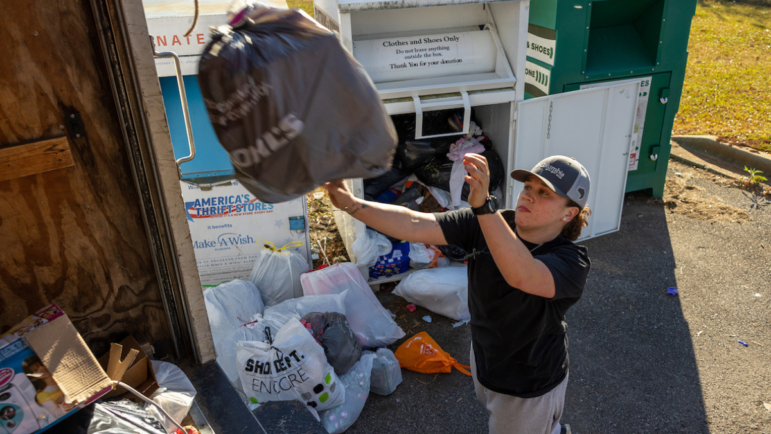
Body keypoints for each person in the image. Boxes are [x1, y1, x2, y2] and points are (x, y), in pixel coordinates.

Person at [324, 154, 592, 434]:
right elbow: (416, 224)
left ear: (569, 213)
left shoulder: (572, 262)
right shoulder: (491, 223)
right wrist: (352, 205)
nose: (528, 196)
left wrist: (484, 207)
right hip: (486, 357)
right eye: (528, 187)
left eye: (544, 193)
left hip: (527, 383)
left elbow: (522, 275)